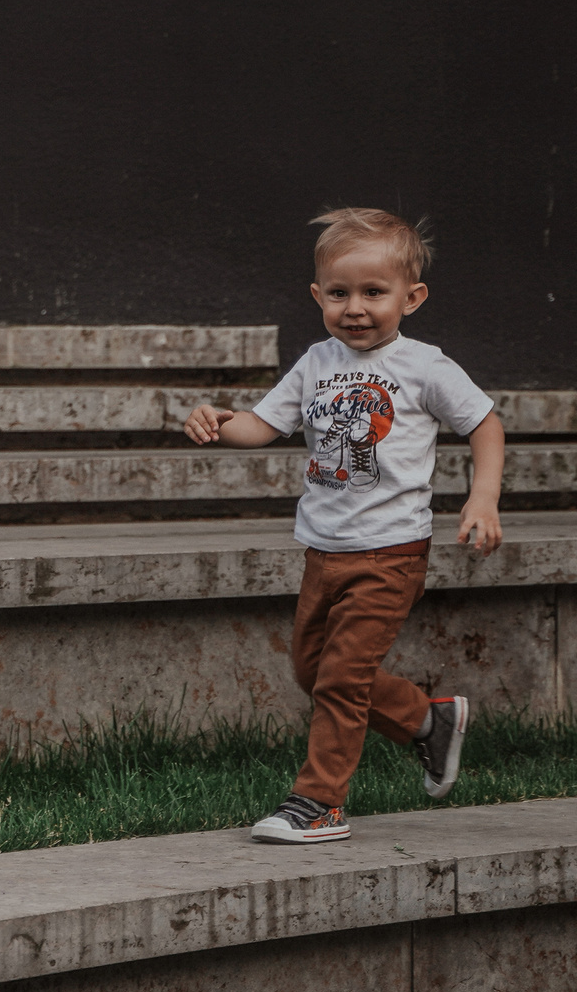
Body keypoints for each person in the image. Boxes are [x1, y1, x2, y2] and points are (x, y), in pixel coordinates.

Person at [182, 208, 505, 843]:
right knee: (312, 670)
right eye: (339, 293)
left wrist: (483, 498)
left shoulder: (424, 366)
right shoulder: (316, 362)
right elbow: (262, 425)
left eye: (373, 292)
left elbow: (484, 424)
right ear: (317, 296)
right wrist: (219, 420)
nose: (355, 308)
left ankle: (319, 803)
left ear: (411, 298)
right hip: (322, 549)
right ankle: (427, 721)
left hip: (391, 551)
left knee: (340, 677)